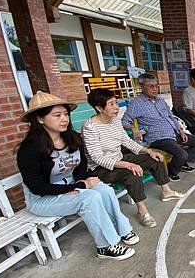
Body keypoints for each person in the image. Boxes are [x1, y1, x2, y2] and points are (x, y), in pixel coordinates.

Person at [17, 91, 137, 261]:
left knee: (104, 190)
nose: (64, 119)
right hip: (43, 198)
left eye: (65, 114)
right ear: (40, 119)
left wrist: (85, 180)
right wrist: (78, 186)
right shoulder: (29, 150)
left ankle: (123, 230)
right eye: (57, 115)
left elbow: (80, 168)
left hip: (71, 186)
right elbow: (37, 187)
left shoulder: (73, 138)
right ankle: (105, 246)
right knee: (90, 198)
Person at [82, 88, 184, 229]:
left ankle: (166, 191)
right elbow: (97, 157)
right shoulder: (90, 127)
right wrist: (128, 165)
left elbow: (127, 141)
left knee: (155, 157)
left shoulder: (114, 121)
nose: (116, 107)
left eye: (116, 103)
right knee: (132, 173)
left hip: (120, 158)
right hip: (101, 168)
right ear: (99, 108)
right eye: (111, 104)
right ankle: (142, 211)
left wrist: (148, 151)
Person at [121, 73, 195, 181]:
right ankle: (171, 170)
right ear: (142, 87)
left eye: (156, 86)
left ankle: (181, 163)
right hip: (158, 138)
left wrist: (180, 131)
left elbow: (171, 116)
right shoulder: (136, 103)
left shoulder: (161, 100)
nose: (155, 89)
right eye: (151, 86)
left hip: (173, 133)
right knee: (182, 154)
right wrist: (133, 128)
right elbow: (124, 121)